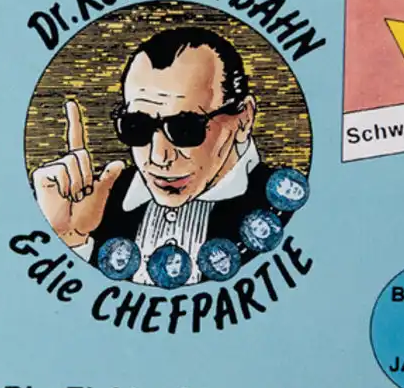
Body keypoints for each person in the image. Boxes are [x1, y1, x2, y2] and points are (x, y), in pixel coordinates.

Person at [31, 27, 289, 286]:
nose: (159, 157)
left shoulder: (280, 209)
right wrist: (70, 239)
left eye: (185, 129)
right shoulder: (95, 205)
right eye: (136, 127)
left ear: (243, 119)